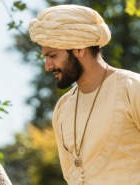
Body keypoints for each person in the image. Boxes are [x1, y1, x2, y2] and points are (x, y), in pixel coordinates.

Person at [29, 4, 140, 185]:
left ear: (79, 49)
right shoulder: (63, 108)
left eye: (53, 56)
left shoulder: (132, 88)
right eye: (46, 58)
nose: (47, 66)